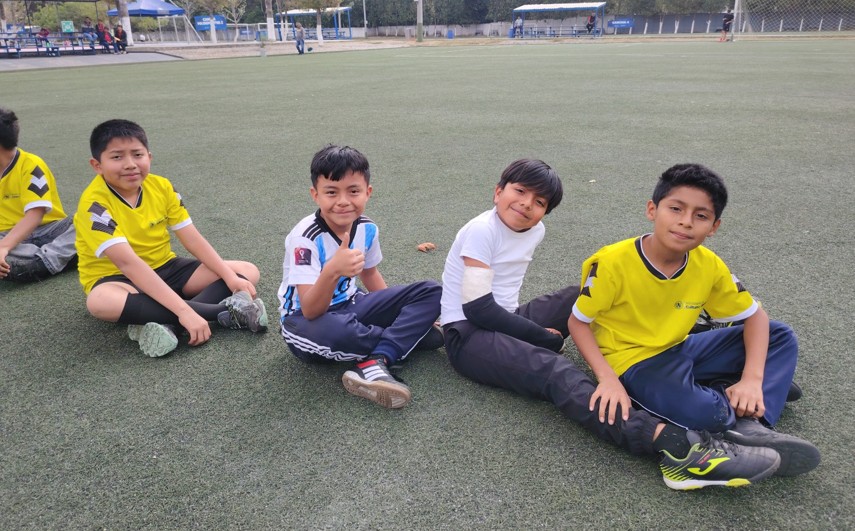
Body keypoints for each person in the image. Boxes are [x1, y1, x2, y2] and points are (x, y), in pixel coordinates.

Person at [440, 158, 784, 490]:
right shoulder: (482, 230)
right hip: (468, 335)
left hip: (507, 316)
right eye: (519, 191)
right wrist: (544, 338)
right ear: (497, 191)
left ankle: (657, 354)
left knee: (581, 295)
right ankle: (677, 448)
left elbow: (507, 308)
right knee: (555, 371)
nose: (527, 204)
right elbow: (479, 310)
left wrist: (534, 331)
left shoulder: (533, 228)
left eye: (540, 201)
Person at [569, 163, 820, 478]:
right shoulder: (611, 262)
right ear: (652, 210)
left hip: (681, 347)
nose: (685, 222)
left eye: (700, 216)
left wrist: (752, 379)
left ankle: (752, 422)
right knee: (706, 414)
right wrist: (607, 378)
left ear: (714, 227)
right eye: (676, 209)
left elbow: (755, 317)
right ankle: (735, 404)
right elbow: (577, 322)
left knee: (779, 335)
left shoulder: (708, 265)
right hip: (632, 361)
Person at [74, 119, 268, 358]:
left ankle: (165, 323)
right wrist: (184, 312)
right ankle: (224, 313)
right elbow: (128, 264)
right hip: (119, 278)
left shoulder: (162, 186)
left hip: (166, 267)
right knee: (100, 302)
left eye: (137, 154)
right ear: (97, 165)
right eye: (117, 157)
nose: (130, 164)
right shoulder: (94, 206)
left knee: (246, 271)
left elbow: (192, 239)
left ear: (149, 157)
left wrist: (230, 277)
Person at [278, 145, 442, 409]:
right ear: (315, 195)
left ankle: (376, 359)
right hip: (305, 322)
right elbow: (310, 310)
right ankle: (402, 339)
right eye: (331, 192)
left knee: (433, 291)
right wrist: (333, 270)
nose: (343, 201)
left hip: (354, 305)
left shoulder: (367, 228)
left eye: (353, 191)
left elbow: (370, 273)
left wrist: (394, 310)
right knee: (341, 333)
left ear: (368, 192)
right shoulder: (304, 238)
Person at [0, 107, 77, 283]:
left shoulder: (30, 164)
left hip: (51, 230)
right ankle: (69, 255)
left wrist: (4, 247)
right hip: (8, 236)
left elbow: (35, 214)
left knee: (88, 220)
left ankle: (43, 263)